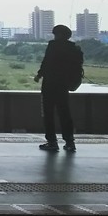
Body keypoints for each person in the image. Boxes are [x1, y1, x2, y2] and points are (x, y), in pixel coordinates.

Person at [34, 24, 82, 153]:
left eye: (55, 34)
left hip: (50, 84)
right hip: (64, 85)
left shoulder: (53, 46)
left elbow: (46, 62)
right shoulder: (73, 48)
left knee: (48, 114)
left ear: (58, 35)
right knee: (65, 113)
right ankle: (70, 142)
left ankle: (52, 142)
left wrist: (39, 75)